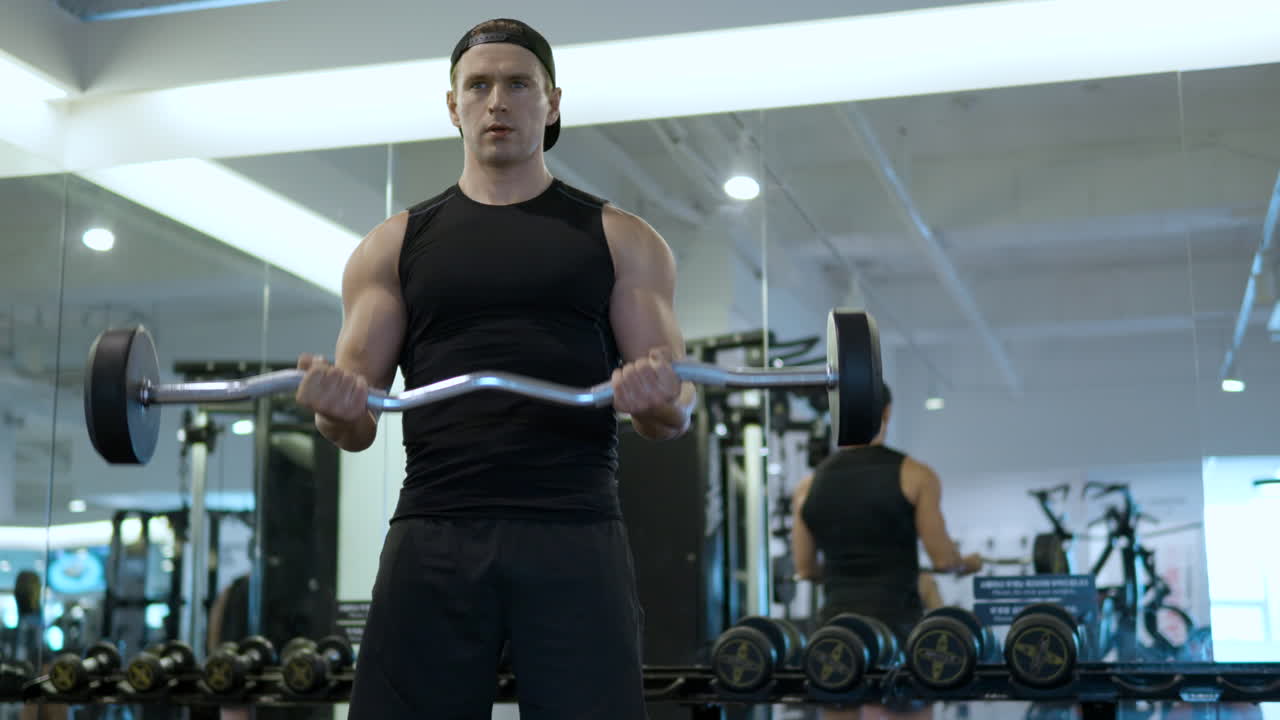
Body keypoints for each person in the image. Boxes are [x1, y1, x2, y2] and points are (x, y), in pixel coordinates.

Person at [291, 18, 695, 720]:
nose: (497, 101)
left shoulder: (621, 239)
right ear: (453, 106)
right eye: (478, 85)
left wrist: (658, 394)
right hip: (436, 529)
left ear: (554, 102)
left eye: (518, 84)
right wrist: (333, 402)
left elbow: (673, 415)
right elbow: (354, 425)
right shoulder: (392, 247)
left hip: (574, 531)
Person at [791, 384, 981, 720]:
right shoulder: (916, 475)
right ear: (887, 413)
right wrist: (968, 563)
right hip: (898, 630)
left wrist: (845, 569)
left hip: (837, 631)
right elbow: (943, 560)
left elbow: (805, 568)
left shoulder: (808, 486)